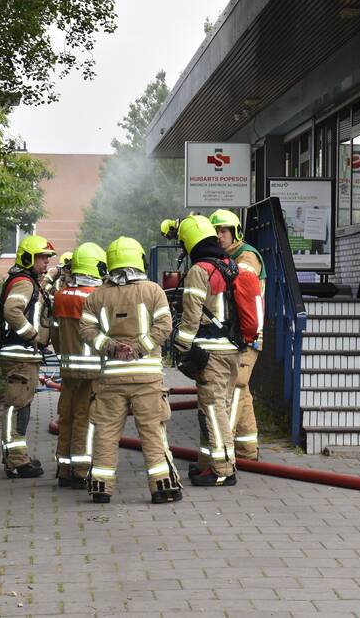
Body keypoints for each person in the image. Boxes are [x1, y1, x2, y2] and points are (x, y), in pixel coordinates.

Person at [79, 237, 181, 504]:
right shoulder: (154, 291)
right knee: (152, 431)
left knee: (106, 432)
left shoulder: (97, 296)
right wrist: (138, 348)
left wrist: (112, 348)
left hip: (111, 379)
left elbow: (86, 331)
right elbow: (164, 327)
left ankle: (101, 487)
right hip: (147, 378)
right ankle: (163, 487)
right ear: (139, 259)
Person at [173, 215, 242, 486]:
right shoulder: (230, 265)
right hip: (232, 349)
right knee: (215, 406)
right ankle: (206, 463)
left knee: (213, 411)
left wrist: (180, 347)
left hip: (210, 352)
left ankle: (223, 470)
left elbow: (190, 318)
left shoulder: (200, 270)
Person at [0, 234, 56, 478]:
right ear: (28, 258)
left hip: (23, 355)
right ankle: (16, 462)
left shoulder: (29, 280)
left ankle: (18, 458)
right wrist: (32, 336)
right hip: (19, 353)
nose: (46, 262)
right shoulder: (24, 282)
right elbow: (12, 311)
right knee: (17, 406)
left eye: (47, 258)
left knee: (22, 405)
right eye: (42, 257)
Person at [209, 209, 265, 461]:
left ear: (235, 233)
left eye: (224, 231)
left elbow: (243, 288)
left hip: (249, 334)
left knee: (235, 388)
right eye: (216, 232)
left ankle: (225, 449)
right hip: (240, 333)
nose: (220, 236)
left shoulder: (246, 257)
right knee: (243, 388)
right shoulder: (226, 256)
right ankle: (246, 449)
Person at [52, 242, 107, 488]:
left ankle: (64, 468)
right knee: (86, 418)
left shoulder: (61, 295)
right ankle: (81, 470)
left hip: (67, 368)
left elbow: (54, 333)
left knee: (67, 416)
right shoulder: (95, 298)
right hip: (92, 368)